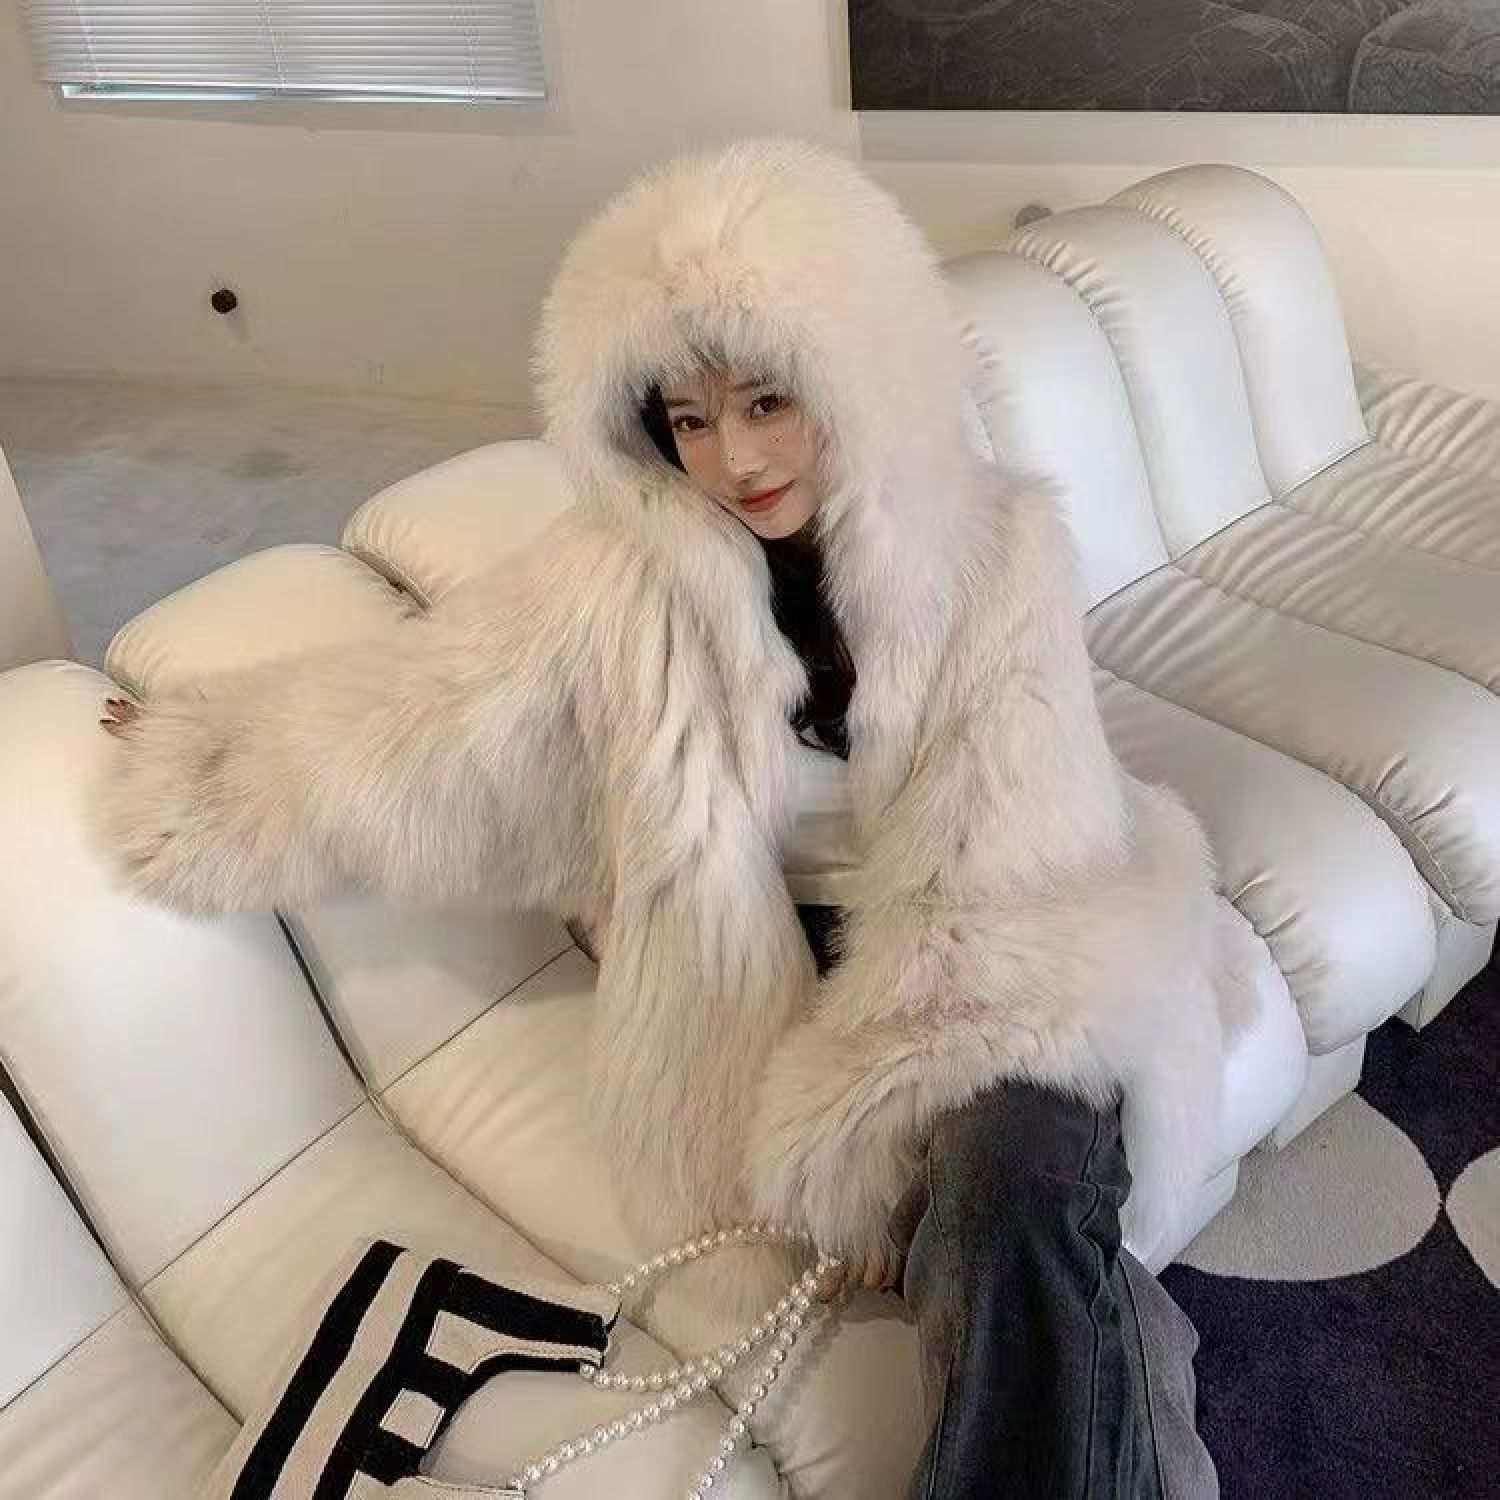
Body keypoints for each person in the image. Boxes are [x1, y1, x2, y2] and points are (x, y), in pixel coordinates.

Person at [98, 138, 1239, 1496]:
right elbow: (432, 729)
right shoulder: (614, 583)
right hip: (762, 986)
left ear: (859, 374)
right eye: (688, 420)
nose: (732, 459)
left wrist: (888, 1112)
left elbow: (1013, 882)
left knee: (1015, 1171)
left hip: (996, 948)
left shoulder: (1001, 549)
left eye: (767, 401)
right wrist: (206, 759)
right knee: (1043, 1250)